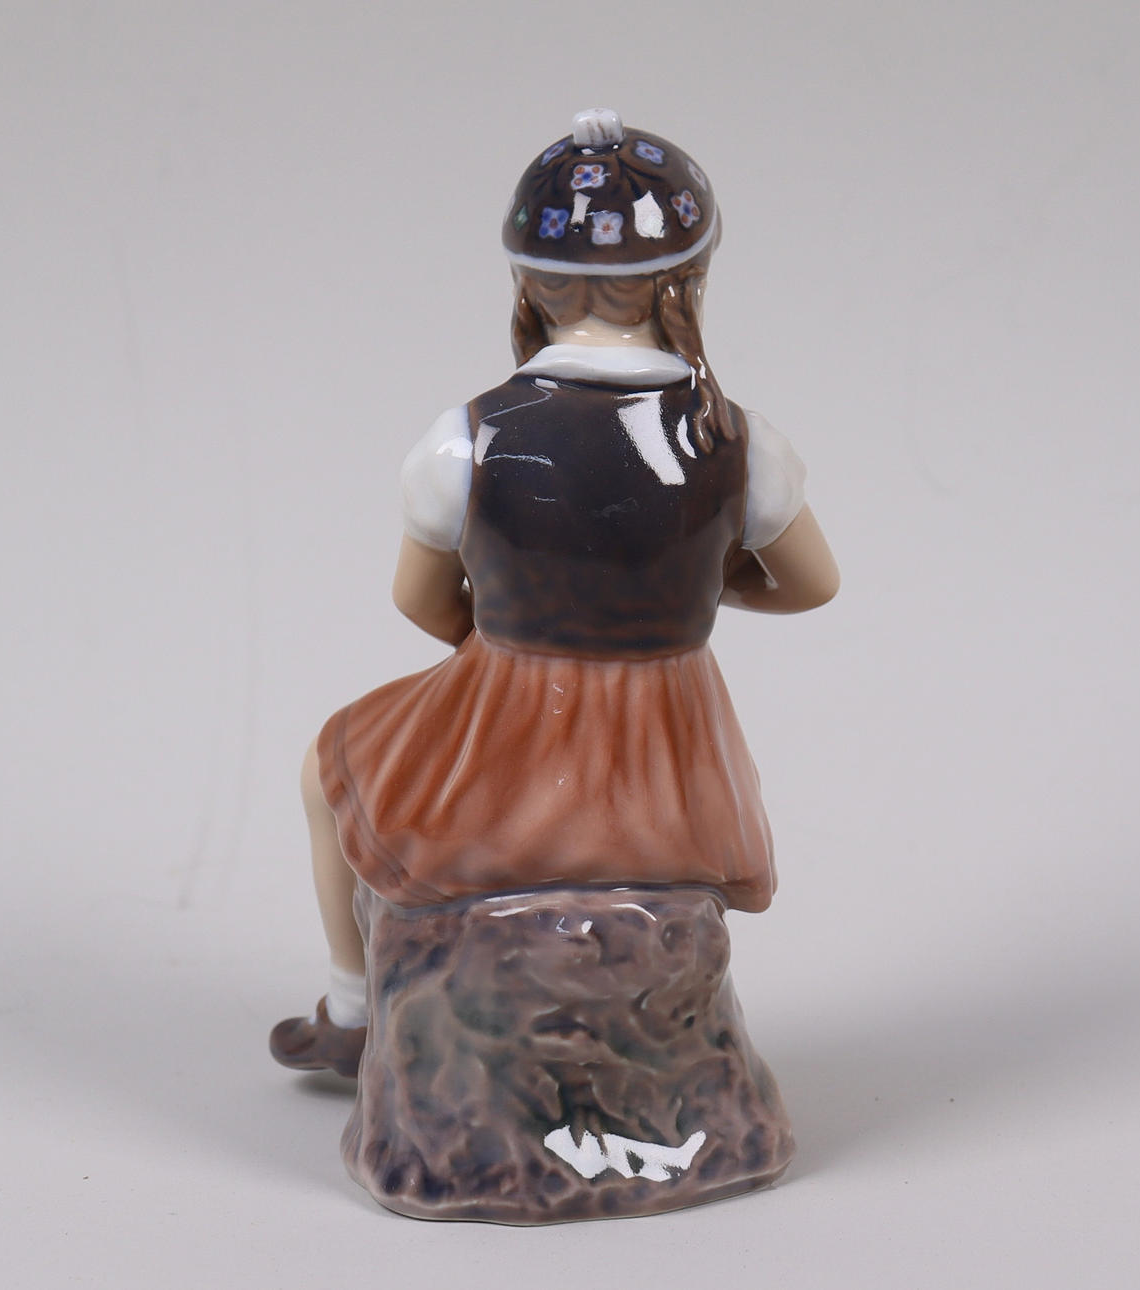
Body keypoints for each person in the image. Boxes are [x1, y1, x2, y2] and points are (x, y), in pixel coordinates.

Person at [270, 108, 839, 1081]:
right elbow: (813, 586)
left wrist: (503, 646)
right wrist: (699, 591)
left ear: (527, 283)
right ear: (687, 282)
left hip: (508, 720)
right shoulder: (744, 444)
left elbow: (419, 600)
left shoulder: (464, 440)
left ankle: (353, 1007)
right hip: (671, 751)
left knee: (330, 768)